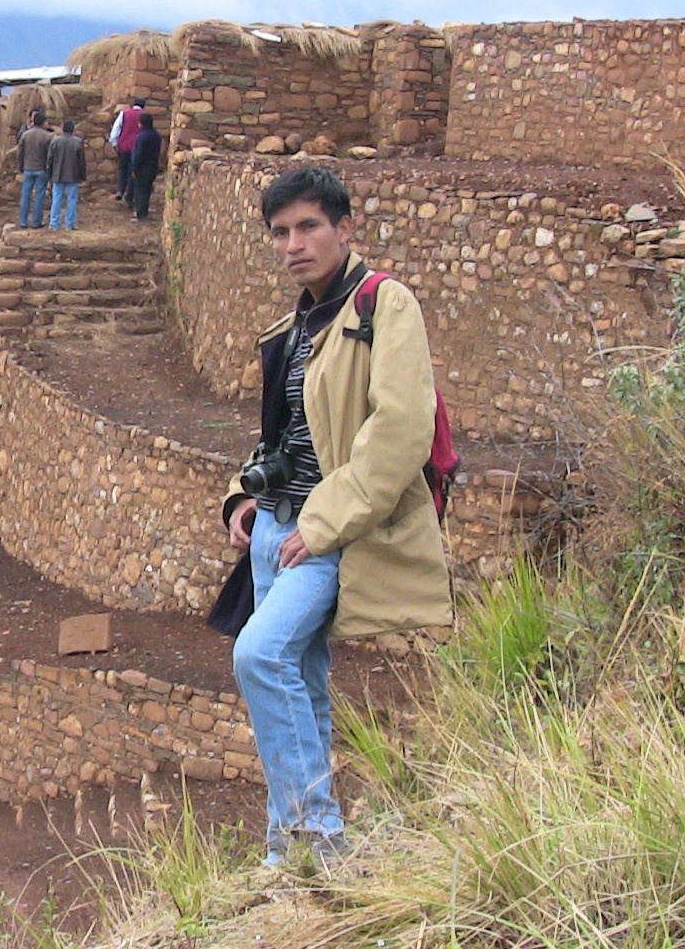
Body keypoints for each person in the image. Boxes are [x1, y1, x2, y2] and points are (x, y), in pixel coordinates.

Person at [218, 166, 450, 867]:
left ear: (345, 229)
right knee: (301, 685)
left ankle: (320, 840)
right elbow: (283, 434)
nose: (294, 243)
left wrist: (322, 525)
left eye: (309, 226)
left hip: (327, 533)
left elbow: (401, 429)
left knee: (259, 656)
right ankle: (285, 852)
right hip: (277, 532)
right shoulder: (293, 326)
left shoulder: (385, 305)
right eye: (281, 232)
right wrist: (243, 496)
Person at [16, 109, 55, 228]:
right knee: (39, 195)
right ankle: (37, 221)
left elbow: (20, 153)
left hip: (28, 168)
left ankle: (23, 221)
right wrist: (49, 169)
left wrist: (21, 167)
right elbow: (50, 155)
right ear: (43, 122)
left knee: (26, 194)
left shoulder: (25, 135)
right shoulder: (47, 136)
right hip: (41, 169)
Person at [46, 119, 86, 230]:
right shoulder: (77, 142)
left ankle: (54, 223)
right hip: (73, 175)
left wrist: (49, 174)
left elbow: (50, 160)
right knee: (72, 199)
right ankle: (70, 223)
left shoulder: (55, 141)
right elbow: (81, 161)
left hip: (57, 174)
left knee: (56, 199)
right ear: (73, 129)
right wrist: (82, 176)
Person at [107, 97, 146, 204]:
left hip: (124, 145)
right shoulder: (144, 116)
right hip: (137, 148)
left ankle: (120, 190)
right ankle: (130, 194)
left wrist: (114, 143)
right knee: (133, 171)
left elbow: (116, 128)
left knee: (122, 168)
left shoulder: (125, 113)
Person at [127, 113, 162, 221]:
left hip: (142, 168)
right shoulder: (156, 135)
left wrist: (134, 168)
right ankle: (144, 212)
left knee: (140, 191)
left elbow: (137, 154)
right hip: (153, 166)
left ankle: (140, 214)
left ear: (141, 123)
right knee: (147, 190)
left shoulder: (141, 137)